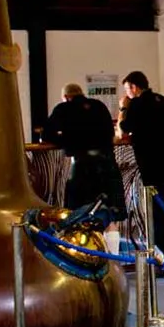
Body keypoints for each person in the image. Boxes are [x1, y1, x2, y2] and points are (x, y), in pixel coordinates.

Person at [42, 83, 126, 254]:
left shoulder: (64, 108)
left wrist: (65, 141)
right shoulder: (99, 106)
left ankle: (86, 257)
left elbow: (46, 136)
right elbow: (111, 133)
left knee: (79, 215)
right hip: (108, 164)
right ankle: (115, 262)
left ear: (66, 97)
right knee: (111, 216)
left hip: (82, 167)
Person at [117, 71, 164, 259]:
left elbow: (124, 129)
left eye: (127, 90)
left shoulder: (138, 104)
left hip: (152, 166)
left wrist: (123, 108)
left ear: (134, 87)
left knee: (158, 216)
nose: (127, 94)